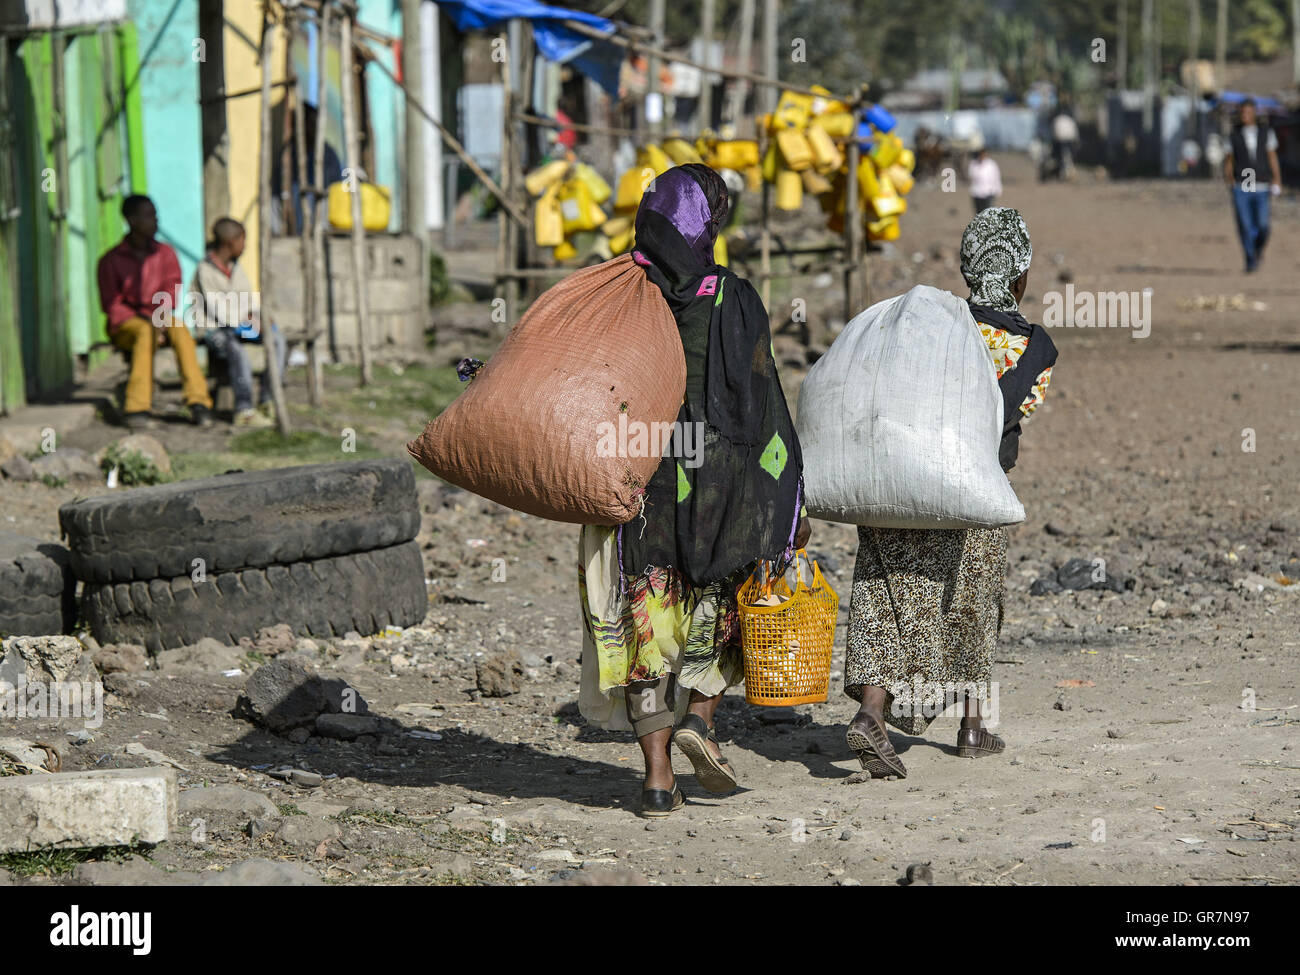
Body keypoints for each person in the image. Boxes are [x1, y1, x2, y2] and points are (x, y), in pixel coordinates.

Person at [577, 164, 809, 818]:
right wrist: (788, 495)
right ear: (712, 222)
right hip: (720, 489)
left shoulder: (625, 293)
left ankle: (655, 779)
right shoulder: (732, 295)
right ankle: (701, 721)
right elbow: (763, 401)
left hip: (641, 484)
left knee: (645, 625)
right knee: (720, 606)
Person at [843, 207, 1057, 779]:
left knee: (889, 597)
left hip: (902, 486)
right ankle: (972, 726)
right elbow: (1009, 419)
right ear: (1020, 274)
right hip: (973, 494)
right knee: (969, 608)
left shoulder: (935, 323)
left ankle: (872, 713)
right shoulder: (1034, 348)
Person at [97, 195, 214, 429]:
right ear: (132, 220)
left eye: (155, 215)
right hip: (127, 324)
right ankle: (137, 407)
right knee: (145, 333)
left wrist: (159, 318)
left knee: (180, 329)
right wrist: (149, 322)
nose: (156, 221)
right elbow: (112, 305)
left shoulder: (166, 254)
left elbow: (171, 288)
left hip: (159, 316)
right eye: (149, 215)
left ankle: (198, 402)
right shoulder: (110, 260)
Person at [191, 218, 287, 427]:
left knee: (276, 339)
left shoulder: (236, 268)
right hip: (214, 330)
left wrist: (259, 317)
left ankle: (267, 400)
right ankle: (244, 410)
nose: (245, 246)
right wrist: (249, 322)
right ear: (231, 242)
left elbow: (248, 301)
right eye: (243, 241)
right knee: (235, 349)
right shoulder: (204, 270)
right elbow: (219, 311)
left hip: (241, 328)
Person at [1224, 99, 1282, 272]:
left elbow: (1272, 157)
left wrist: (1277, 179)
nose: (1245, 116)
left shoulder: (1266, 133)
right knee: (1245, 224)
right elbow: (1229, 160)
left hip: (1261, 184)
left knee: (1263, 224)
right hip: (1242, 185)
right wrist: (1229, 179)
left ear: (1254, 113)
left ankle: (1258, 249)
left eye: (1248, 112)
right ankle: (1250, 258)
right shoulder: (1234, 135)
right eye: (1242, 112)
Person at [968, 146, 1003, 214]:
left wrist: (998, 189)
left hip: (989, 192)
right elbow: (971, 175)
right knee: (978, 213)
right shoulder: (974, 164)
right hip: (976, 193)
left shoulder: (991, 164)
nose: (982, 156)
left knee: (988, 213)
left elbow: (996, 177)